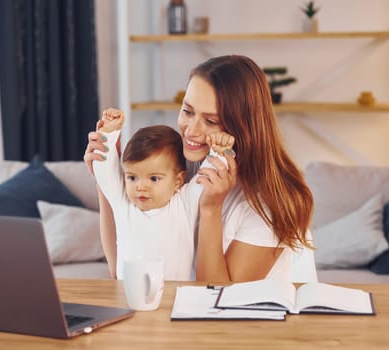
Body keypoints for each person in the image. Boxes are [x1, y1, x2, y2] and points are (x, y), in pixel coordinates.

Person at [84, 54, 315, 283]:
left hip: (241, 318)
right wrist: (108, 180)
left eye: (211, 121)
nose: (191, 131)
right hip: (174, 313)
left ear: (243, 127)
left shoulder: (274, 203)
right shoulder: (181, 168)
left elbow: (216, 296)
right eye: (187, 111)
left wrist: (211, 209)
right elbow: (120, 270)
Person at [92, 108, 233, 281]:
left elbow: (209, 174)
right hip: (127, 295)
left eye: (154, 178)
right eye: (132, 177)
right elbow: (103, 168)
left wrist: (220, 150)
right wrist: (109, 132)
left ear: (178, 181)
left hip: (174, 297)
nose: (140, 187)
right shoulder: (123, 202)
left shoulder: (184, 203)